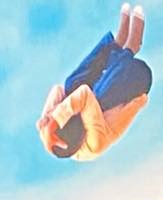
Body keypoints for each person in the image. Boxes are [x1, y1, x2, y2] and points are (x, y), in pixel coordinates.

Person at [38, 4, 151, 160]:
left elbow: (58, 90)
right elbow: (85, 94)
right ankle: (132, 45)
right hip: (136, 80)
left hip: (116, 71)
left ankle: (117, 44)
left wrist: (47, 119)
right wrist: (57, 119)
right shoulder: (94, 143)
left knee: (70, 85)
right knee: (98, 99)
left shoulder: (64, 135)